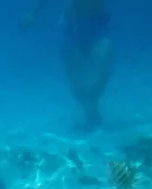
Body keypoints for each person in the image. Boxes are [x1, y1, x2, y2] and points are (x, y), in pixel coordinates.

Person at [21, 0, 113, 130]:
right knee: (74, 72)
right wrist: (33, 14)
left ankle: (92, 102)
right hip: (72, 24)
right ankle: (89, 108)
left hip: (96, 22)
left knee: (104, 57)